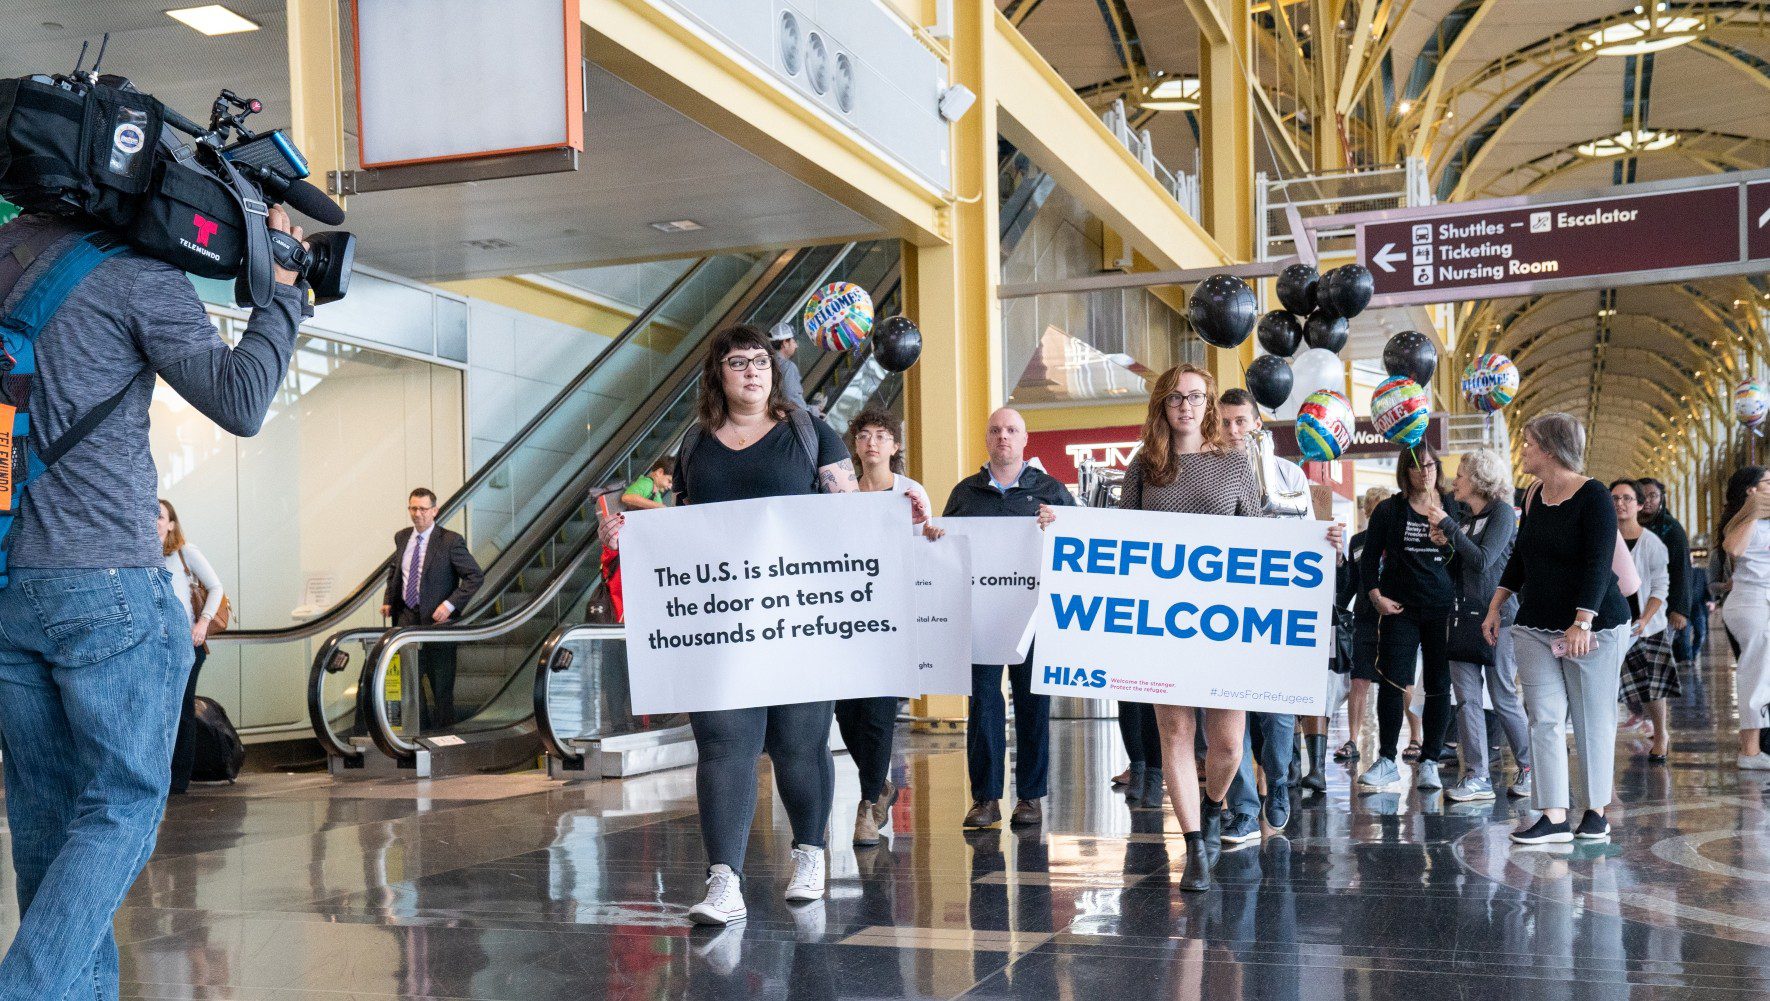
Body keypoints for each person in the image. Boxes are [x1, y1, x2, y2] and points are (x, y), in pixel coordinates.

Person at [0, 205, 308, 1000]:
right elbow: (239, 401)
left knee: (46, 818)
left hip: (7, 583)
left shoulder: (5, 256)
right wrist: (281, 294)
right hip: (103, 580)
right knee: (124, 801)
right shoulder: (137, 273)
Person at [603, 323, 890, 927]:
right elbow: (682, 532)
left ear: (774, 370)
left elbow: (854, 518)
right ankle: (724, 879)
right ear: (719, 375)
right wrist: (631, 537)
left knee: (798, 743)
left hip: (800, 623)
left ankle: (809, 851)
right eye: (738, 363)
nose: (753, 372)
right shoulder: (696, 447)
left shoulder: (811, 435)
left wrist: (903, 511)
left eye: (761, 362)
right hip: (722, 627)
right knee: (724, 744)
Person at [1114, 365, 1340, 891]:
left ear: (1208, 403)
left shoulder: (1234, 466)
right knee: (1176, 733)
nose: (1186, 406)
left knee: (1230, 746)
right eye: (1175, 398)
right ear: (1162, 406)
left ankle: (1214, 807)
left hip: (1224, 626)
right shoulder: (1144, 467)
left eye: (1196, 397)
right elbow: (1117, 537)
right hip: (1163, 624)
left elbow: (1264, 538)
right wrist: (1063, 529)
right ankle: (1194, 845)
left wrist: (1315, 543)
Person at [1484, 412, 1631, 845]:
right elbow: (1520, 557)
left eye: (1528, 443)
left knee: (1591, 718)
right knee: (1543, 718)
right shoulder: (1531, 495)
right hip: (1536, 625)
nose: (1523, 450)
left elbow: (1598, 562)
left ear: (1549, 448)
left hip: (1594, 627)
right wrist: (1496, 606)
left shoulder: (1594, 496)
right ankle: (1552, 814)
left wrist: (1581, 621)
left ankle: (1596, 813)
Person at [942, 406, 1074, 831]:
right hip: (979, 618)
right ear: (987, 439)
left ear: (1024, 440)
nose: (1003, 436)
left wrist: (1064, 525)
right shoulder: (965, 493)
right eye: (996, 430)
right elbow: (946, 552)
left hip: (1033, 617)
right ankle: (985, 800)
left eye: (1011, 430)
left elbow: (1081, 543)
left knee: (1033, 704)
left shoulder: (1050, 490)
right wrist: (932, 534)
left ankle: (1030, 798)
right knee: (983, 704)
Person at [838, 406, 937, 847]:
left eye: (881, 435)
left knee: (877, 714)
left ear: (895, 446)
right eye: (864, 435)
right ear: (855, 444)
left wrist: (927, 531)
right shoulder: (840, 493)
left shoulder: (910, 491)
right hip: (844, 620)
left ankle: (866, 805)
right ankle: (878, 786)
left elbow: (925, 548)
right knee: (847, 713)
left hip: (891, 618)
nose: (872, 442)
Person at [1219, 388, 1311, 836]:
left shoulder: (1288, 474)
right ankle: (1242, 807)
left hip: (1276, 610)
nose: (1233, 430)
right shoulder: (1209, 472)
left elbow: (1309, 537)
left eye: (1240, 421)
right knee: (1227, 709)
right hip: (1224, 610)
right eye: (1225, 422)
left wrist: (1327, 543)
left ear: (1258, 423)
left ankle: (1276, 780)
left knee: (1275, 711)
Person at [1357, 443, 1459, 794]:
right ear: (1406, 472)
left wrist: (1445, 538)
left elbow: (1463, 559)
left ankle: (1430, 759)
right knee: (1392, 680)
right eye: (1418, 467)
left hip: (1441, 609)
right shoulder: (1389, 510)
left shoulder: (1452, 507)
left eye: (1430, 466)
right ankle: (1386, 759)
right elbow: (1368, 560)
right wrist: (1376, 597)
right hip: (1400, 608)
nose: (1425, 472)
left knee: (1438, 683)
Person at [1440, 449, 1532, 802]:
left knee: (1503, 695)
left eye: (1461, 475)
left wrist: (1450, 531)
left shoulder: (1503, 514)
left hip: (1499, 617)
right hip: (1463, 616)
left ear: (1478, 479)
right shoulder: (1464, 518)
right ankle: (1475, 774)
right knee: (1466, 700)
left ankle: (1528, 768)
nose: (1455, 482)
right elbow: (1459, 569)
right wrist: (1447, 545)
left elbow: (1483, 561)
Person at [379, 488, 485, 731]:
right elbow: (396, 571)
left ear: (435, 511)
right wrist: (388, 600)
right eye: (413, 508)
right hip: (406, 619)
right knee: (410, 684)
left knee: (441, 687)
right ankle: (418, 734)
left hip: (438, 625)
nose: (418, 514)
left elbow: (474, 576)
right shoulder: (402, 537)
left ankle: (444, 737)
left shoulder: (449, 541)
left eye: (423, 509)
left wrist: (449, 605)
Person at [160, 500, 225, 795]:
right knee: (158, 709)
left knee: (182, 708)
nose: (154, 521)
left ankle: (178, 779)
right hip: (154, 645)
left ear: (172, 523)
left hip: (187, 643)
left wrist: (203, 623)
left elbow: (216, 587)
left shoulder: (185, 553)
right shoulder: (142, 556)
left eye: (159, 516)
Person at [1612, 479, 1677, 763]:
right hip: (1611, 625)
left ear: (1639, 505)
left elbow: (1660, 587)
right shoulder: (1603, 538)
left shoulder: (1652, 543)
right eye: (1614, 498)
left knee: (1652, 686)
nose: (1620, 504)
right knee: (1610, 686)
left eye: (1627, 498)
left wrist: (1643, 619)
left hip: (1647, 626)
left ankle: (1661, 734)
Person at [1336, 488, 1394, 764]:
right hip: (1364, 616)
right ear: (1369, 512)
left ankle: (1416, 738)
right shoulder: (1358, 542)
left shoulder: (1398, 539)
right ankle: (1352, 739)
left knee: (1399, 680)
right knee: (1359, 679)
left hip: (1395, 616)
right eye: (1374, 509)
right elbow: (1350, 582)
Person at [1718, 466, 1770, 769]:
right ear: (1751, 490)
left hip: (1762, 603)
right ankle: (1750, 751)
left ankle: (1755, 745)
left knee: (1764, 675)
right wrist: (1752, 512)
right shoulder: (1743, 522)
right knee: (1756, 674)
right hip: (1752, 604)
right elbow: (1733, 548)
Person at [1639, 477, 1693, 667]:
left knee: (1656, 662)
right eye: (1642, 496)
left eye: (1653, 495)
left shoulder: (1672, 529)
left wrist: (1679, 609)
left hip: (1662, 607)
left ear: (1661, 498)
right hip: (1631, 605)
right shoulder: (1624, 526)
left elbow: (1682, 570)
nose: (1647, 500)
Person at [769, 321, 810, 410]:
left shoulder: (766, 361)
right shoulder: (787, 367)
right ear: (785, 343)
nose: (796, 345)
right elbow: (792, 400)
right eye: (794, 341)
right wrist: (813, 411)